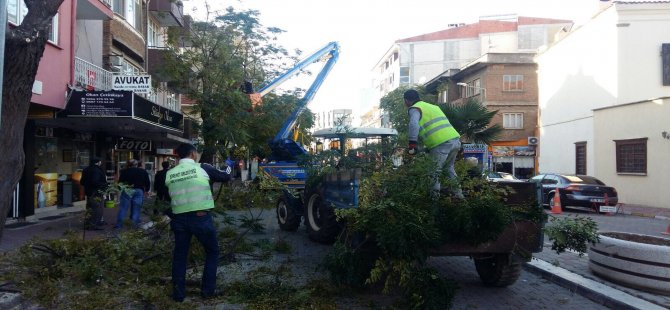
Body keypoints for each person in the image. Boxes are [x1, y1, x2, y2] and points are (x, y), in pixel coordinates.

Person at [166, 143, 231, 302]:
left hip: (179, 219)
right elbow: (225, 176)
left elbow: (169, 197)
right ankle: (208, 291)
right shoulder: (203, 168)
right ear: (193, 154)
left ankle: (178, 294)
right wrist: (228, 165)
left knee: (180, 256)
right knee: (212, 252)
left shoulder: (170, 173)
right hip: (200, 218)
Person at [403, 89, 464, 199]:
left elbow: (413, 124)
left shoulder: (414, 108)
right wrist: (426, 148)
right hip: (455, 140)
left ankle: (434, 203)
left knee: (434, 172)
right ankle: (460, 197)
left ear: (407, 101)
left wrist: (412, 144)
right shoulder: (433, 107)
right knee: (449, 169)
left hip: (441, 143)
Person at [115, 159, 151, 228]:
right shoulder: (143, 171)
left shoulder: (124, 171)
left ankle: (119, 225)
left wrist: (119, 189)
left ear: (128, 164)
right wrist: (147, 190)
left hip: (127, 190)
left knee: (123, 208)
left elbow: (120, 182)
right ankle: (134, 226)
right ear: (137, 164)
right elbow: (147, 182)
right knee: (136, 208)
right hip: (138, 190)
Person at [80, 157, 108, 230]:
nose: (101, 163)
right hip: (96, 192)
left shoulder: (86, 169)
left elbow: (82, 182)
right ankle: (94, 225)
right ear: (98, 162)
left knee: (89, 208)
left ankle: (88, 224)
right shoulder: (97, 170)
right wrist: (104, 185)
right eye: (100, 162)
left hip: (88, 192)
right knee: (97, 208)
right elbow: (95, 181)